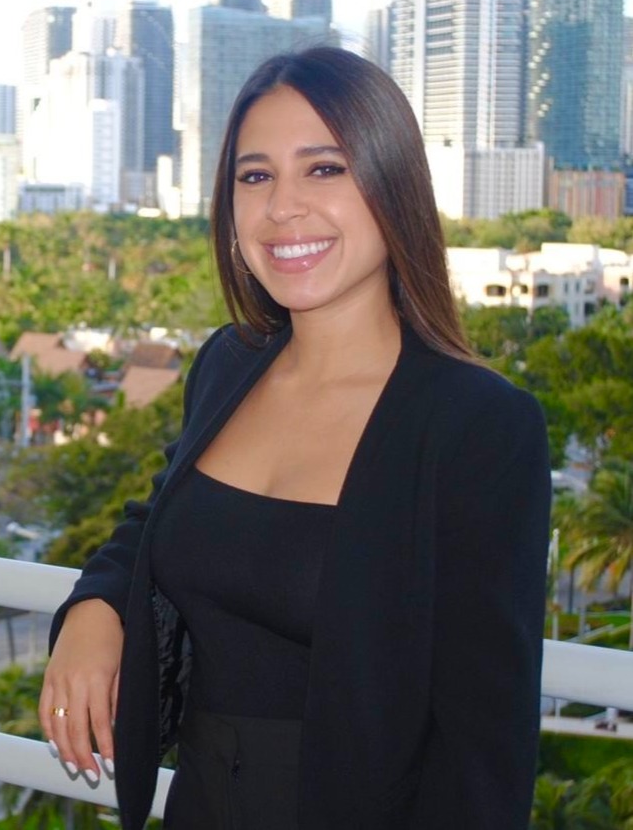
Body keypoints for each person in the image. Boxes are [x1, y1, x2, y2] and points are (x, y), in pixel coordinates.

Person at [40, 46, 551, 829]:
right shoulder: (229, 363)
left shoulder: (477, 426)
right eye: (256, 176)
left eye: (324, 169)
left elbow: (484, 748)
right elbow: (159, 519)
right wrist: (95, 608)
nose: (283, 207)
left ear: (393, 185)